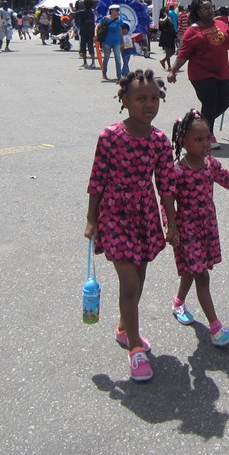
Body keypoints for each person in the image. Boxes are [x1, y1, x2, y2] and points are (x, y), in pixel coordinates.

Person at [84, 69, 177, 382]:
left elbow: (166, 187)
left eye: (154, 98)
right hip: (114, 214)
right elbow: (97, 179)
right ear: (124, 100)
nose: (148, 104)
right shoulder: (110, 137)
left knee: (139, 275)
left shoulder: (161, 141)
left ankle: (125, 328)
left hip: (145, 214)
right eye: (140, 98)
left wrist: (171, 223)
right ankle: (135, 349)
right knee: (130, 283)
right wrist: (90, 218)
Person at [166, 109, 229, 346]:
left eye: (207, 138)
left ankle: (177, 303)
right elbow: (167, 201)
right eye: (199, 139)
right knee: (201, 275)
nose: (206, 144)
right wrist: (170, 227)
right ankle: (215, 328)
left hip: (206, 227)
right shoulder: (177, 170)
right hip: (187, 231)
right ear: (183, 142)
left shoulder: (210, 164)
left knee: (191, 269)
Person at [167, 0, 229, 148]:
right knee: (210, 103)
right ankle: (207, 136)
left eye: (211, 7)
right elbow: (183, 54)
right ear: (197, 12)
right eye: (205, 9)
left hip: (222, 71)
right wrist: (173, 71)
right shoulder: (193, 31)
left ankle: (191, 124)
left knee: (226, 100)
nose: (210, 11)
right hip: (201, 73)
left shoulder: (221, 25)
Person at [99, 4, 123, 80]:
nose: (118, 12)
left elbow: (120, 31)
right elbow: (98, 26)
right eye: (116, 10)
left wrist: (122, 42)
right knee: (106, 57)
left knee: (118, 58)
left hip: (117, 41)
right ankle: (104, 73)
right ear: (112, 11)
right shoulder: (105, 19)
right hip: (107, 41)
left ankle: (119, 75)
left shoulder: (119, 20)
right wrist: (96, 34)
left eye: (118, 10)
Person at [74, 0, 97, 69]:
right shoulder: (92, 12)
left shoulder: (83, 12)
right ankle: (93, 62)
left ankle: (85, 62)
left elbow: (73, 14)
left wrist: (71, 8)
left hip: (84, 31)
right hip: (91, 30)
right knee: (90, 46)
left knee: (83, 46)